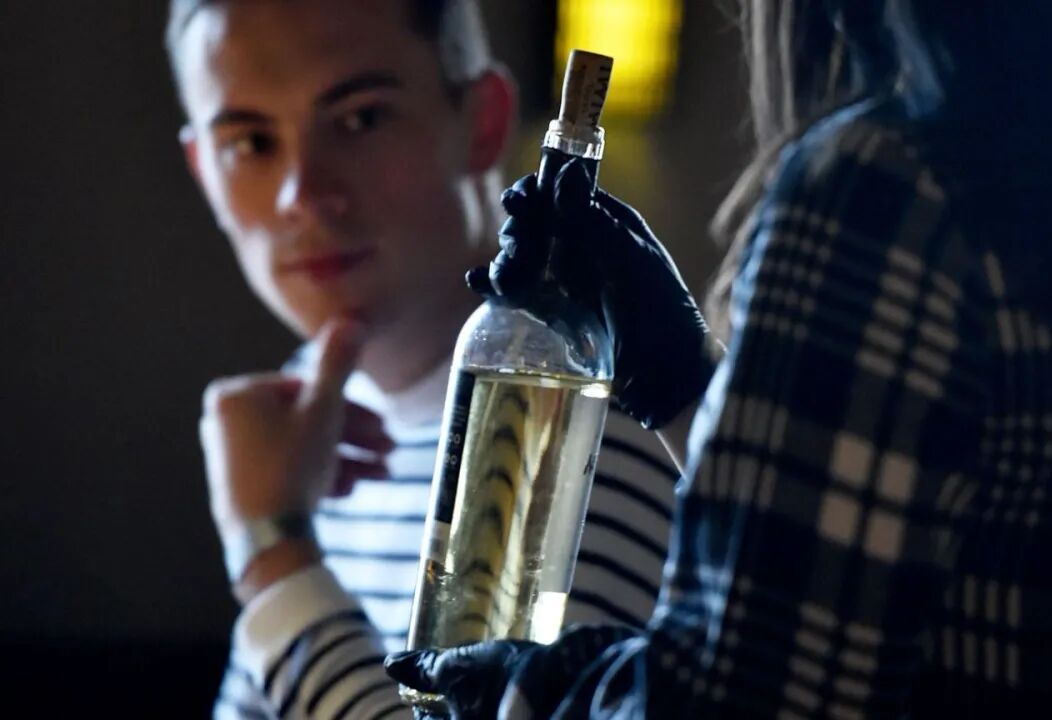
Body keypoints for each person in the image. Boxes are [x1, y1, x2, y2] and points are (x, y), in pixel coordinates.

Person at [382, 0, 1052, 717]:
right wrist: (684, 384)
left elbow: (742, 700)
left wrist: (531, 689)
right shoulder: (1038, 175)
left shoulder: (888, 186)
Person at [167, 0, 683, 718]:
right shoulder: (307, 430)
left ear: (484, 123)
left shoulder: (575, 423)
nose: (302, 195)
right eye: (251, 142)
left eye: (361, 119)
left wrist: (272, 554)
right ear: (203, 171)